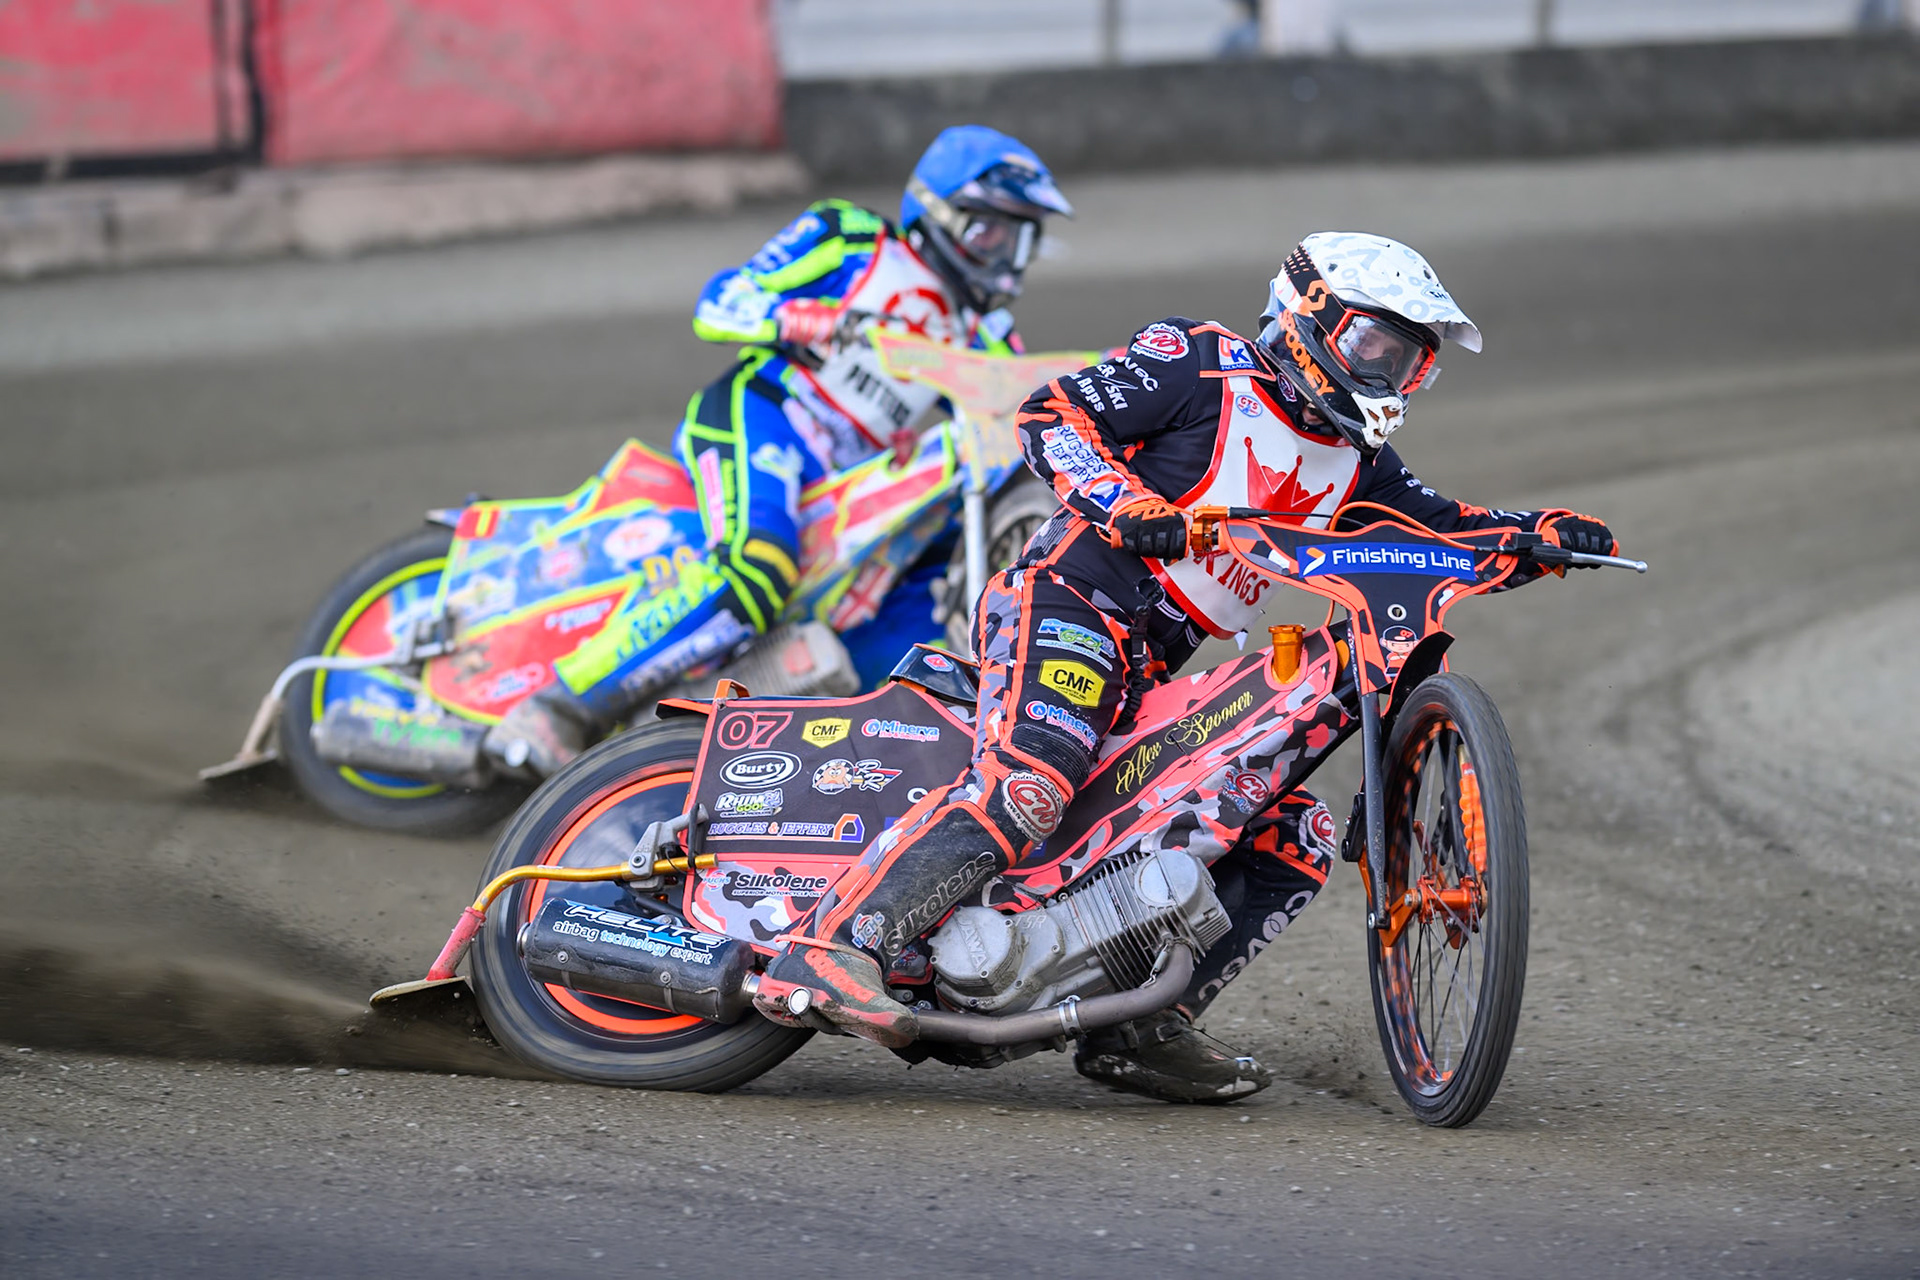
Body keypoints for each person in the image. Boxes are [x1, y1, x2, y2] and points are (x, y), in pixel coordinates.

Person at [752, 231, 1618, 1102]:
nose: (1388, 377)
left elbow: (1437, 526)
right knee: (1031, 781)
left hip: (1150, 668)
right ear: (1309, 317)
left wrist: (1537, 535)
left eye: (1407, 362)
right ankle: (833, 948)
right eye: (1372, 347)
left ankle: (1138, 1026)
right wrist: (1128, 505)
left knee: (1294, 835)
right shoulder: (1203, 364)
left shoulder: (1358, 460)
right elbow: (1052, 416)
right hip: (1067, 604)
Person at [484, 125, 1074, 776]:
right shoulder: (851, 237)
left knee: (917, 632)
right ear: (940, 212)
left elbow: (1017, 421)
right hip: (765, 415)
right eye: (994, 232)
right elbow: (720, 304)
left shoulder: (987, 335)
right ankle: (557, 707)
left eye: (1024, 238)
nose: (1010, 258)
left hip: (848, 488)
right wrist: (806, 319)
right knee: (758, 568)